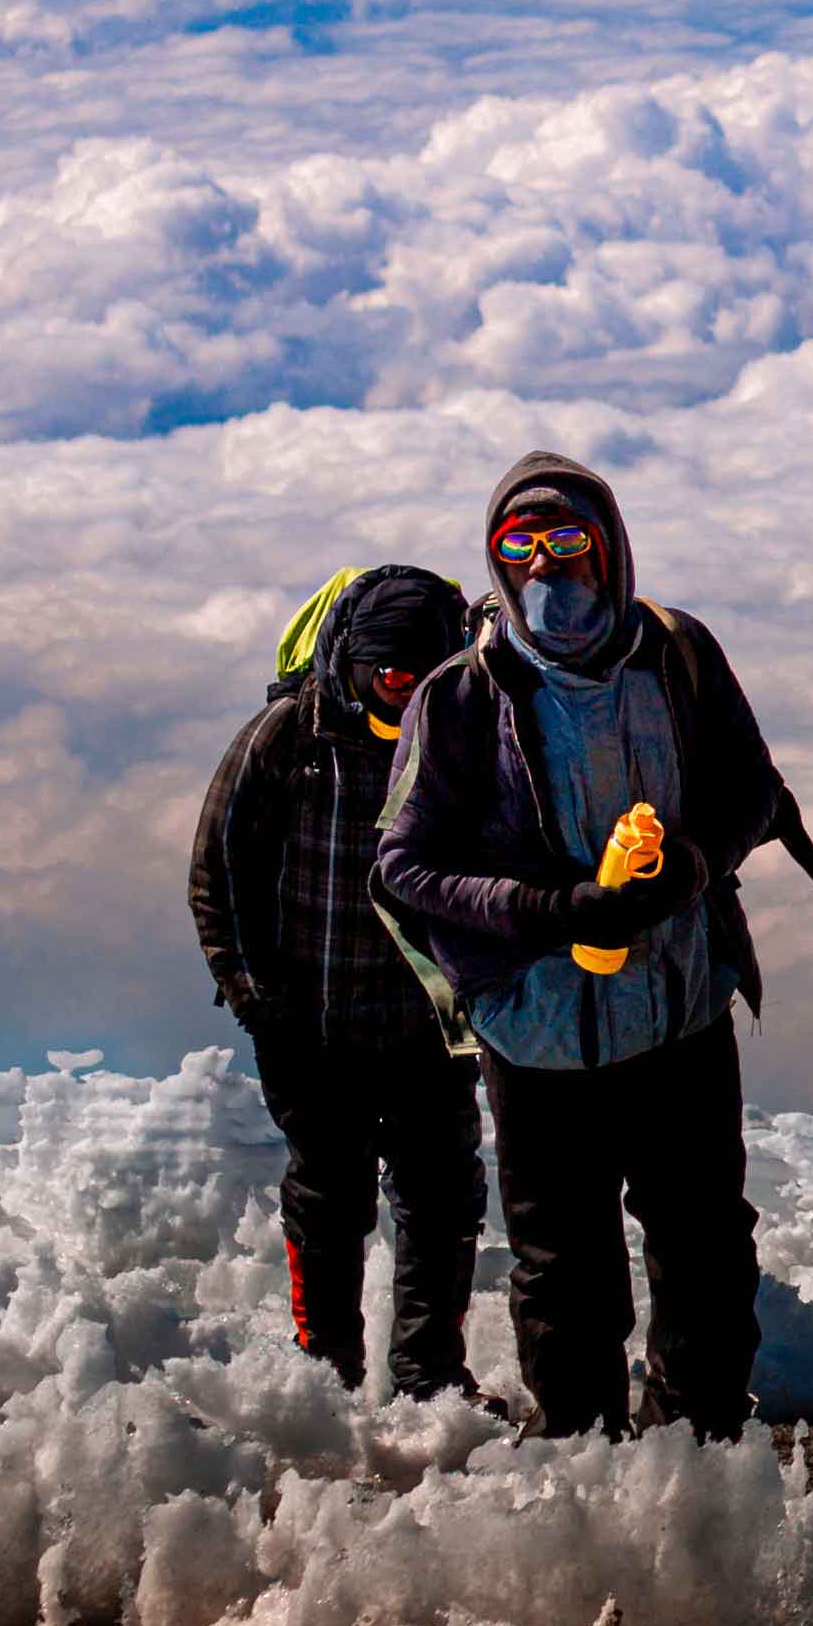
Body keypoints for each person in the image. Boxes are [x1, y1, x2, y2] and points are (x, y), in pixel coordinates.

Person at [371, 452, 813, 1443]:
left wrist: (691, 867)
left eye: (569, 543)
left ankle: (691, 1456)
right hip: (540, 1037)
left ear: (610, 549)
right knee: (563, 1265)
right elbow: (402, 867)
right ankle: (584, 1472)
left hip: (680, 1011)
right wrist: (550, 909)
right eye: (519, 548)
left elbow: (753, 789)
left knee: (705, 1246)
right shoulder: (458, 696)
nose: (548, 570)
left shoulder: (678, 655)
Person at [186, 562, 486, 1399]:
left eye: (421, 677)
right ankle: (329, 1385)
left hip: (431, 1025)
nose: (403, 691)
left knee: (442, 1198)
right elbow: (218, 870)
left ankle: (430, 1381)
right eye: (389, 675)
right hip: (310, 1028)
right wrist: (250, 994)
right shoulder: (288, 737)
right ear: (351, 663)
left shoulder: (461, 735)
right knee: (330, 1199)